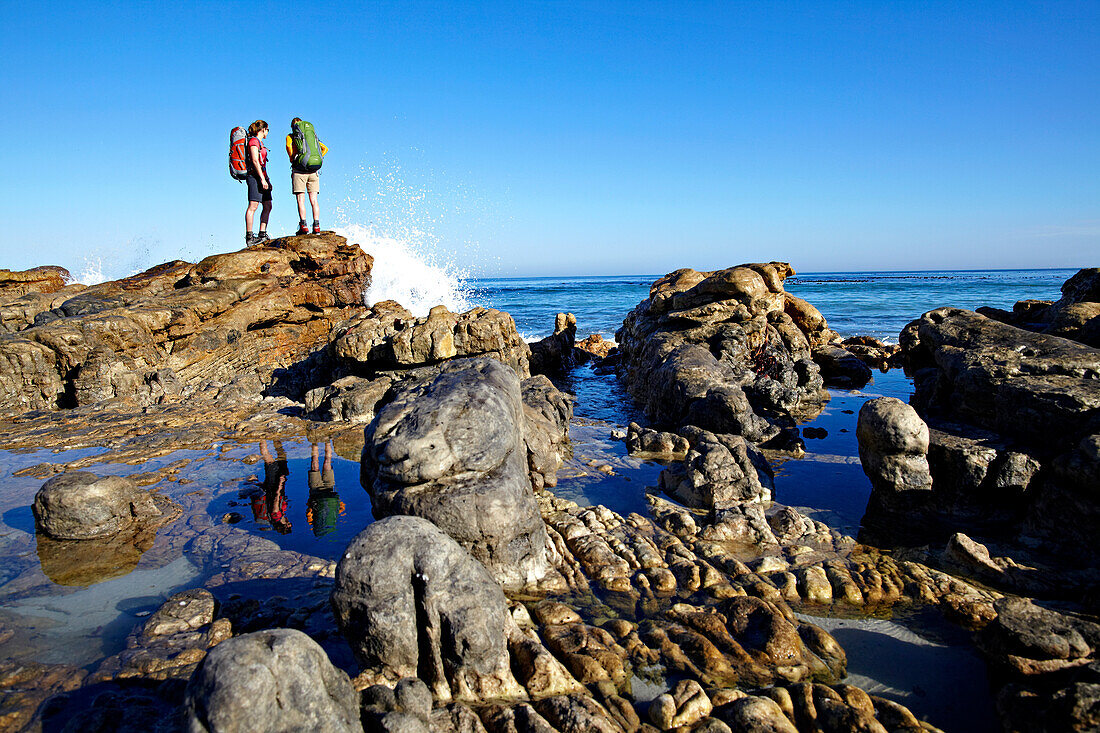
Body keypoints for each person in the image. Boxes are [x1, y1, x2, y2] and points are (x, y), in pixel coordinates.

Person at [286, 118, 328, 235]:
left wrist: (294, 158)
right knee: (314, 200)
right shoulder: (310, 136)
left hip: (299, 171)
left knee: (301, 199)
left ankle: (303, 225)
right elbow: (325, 149)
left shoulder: (290, 136)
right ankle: (317, 226)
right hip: (313, 171)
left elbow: (289, 147)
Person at [306, 440, 344, 538]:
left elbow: (341, 507)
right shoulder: (313, 522)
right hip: (316, 492)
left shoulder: (332, 520)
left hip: (329, 490)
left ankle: (325, 442)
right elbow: (309, 511)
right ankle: (317, 442)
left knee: (327, 461)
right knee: (315, 462)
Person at [245, 120, 273, 245]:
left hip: (263, 177)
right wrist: (262, 179)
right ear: (263, 129)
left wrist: (267, 179)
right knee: (253, 206)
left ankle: (262, 233)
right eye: (268, 130)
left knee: (267, 205)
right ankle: (249, 237)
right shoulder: (253, 141)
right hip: (254, 177)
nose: (268, 133)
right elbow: (255, 161)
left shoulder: (260, 143)